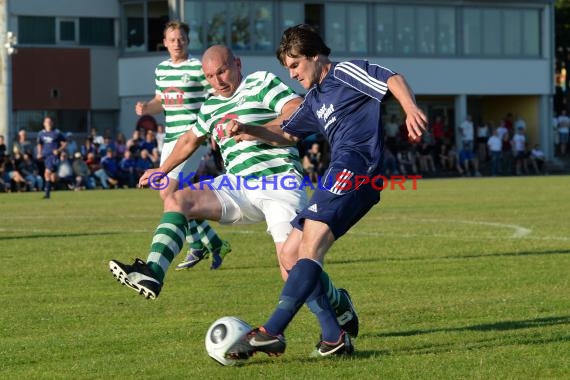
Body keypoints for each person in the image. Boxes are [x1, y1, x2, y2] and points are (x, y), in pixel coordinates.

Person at [108, 44, 359, 338]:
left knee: (289, 265)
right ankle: (152, 272)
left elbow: (298, 114)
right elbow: (190, 140)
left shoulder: (260, 82)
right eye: (210, 76)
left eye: (222, 72)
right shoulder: (211, 104)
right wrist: (161, 171)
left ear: (238, 63)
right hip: (236, 185)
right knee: (177, 199)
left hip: (278, 182)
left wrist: (248, 126)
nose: (217, 81)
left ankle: (337, 311)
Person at [224, 24, 427, 359]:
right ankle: (334, 337)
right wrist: (250, 129)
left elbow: (392, 78)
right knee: (290, 253)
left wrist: (410, 108)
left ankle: (272, 331)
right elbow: (288, 134)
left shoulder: (345, 72)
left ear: (315, 56)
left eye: (295, 65)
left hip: (358, 166)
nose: (291, 75)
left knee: (311, 245)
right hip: (341, 171)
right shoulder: (314, 99)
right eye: (287, 68)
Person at [133, 20, 230, 270]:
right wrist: (146, 107)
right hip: (170, 139)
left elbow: (215, 92)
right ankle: (213, 242)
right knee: (176, 196)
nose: (177, 43)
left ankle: (197, 245)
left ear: (188, 40)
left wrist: (214, 128)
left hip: (191, 139)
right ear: (165, 42)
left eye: (181, 38)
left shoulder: (198, 67)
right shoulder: (161, 69)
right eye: (172, 39)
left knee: (168, 192)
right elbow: (160, 101)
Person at [36, 116, 67, 199]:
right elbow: (39, 144)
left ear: (52, 123)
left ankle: (47, 194)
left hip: (53, 156)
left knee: (47, 173)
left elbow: (65, 143)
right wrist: (39, 153)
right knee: (52, 178)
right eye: (47, 122)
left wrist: (59, 150)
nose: (48, 124)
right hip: (45, 156)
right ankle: (64, 183)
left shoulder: (57, 133)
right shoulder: (41, 133)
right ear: (44, 123)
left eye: (50, 122)